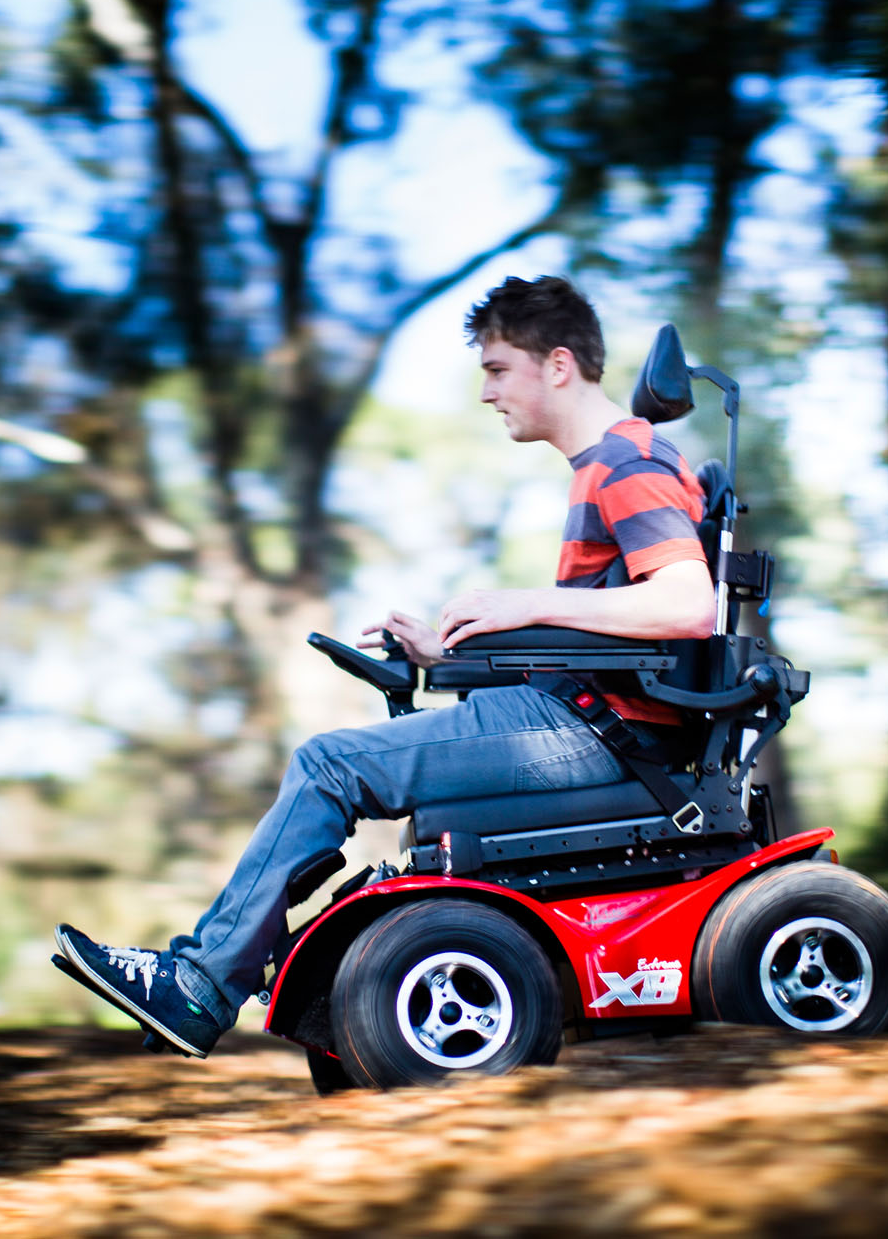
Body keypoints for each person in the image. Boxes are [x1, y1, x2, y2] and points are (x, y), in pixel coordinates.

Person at [53, 275, 714, 1057]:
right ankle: (254, 970)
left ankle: (200, 984)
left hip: (599, 734)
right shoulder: (606, 464)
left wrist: (526, 604)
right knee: (335, 763)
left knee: (328, 764)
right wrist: (457, 654)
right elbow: (604, 638)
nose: (485, 391)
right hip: (578, 714)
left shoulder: (625, 459)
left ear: (559, 365)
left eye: (498, 368)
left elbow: (687, 604)